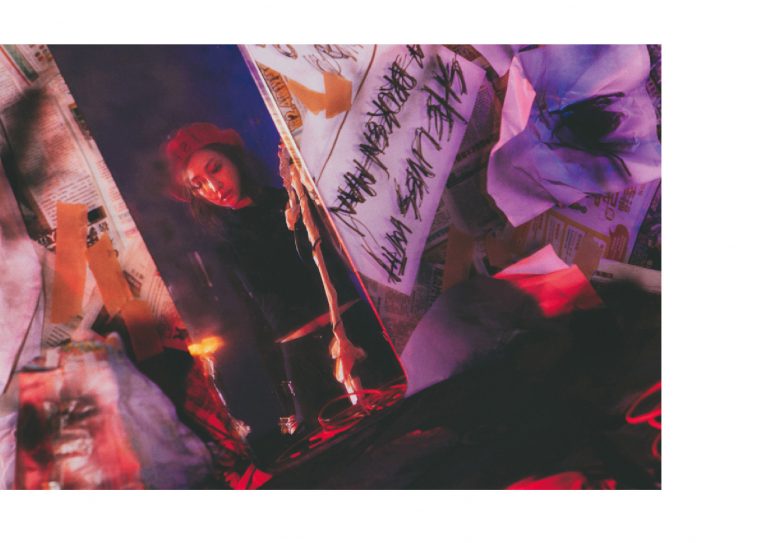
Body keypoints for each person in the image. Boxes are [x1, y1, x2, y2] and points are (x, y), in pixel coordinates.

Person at [164, 122, 350, 436]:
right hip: (302, 360)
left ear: (233, 159)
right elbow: (254, 321)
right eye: (198, 185)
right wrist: (283, 393)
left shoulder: (291, 201)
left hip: (352, 331)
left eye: (215, 169)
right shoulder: (221, 246)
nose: (213, 187)